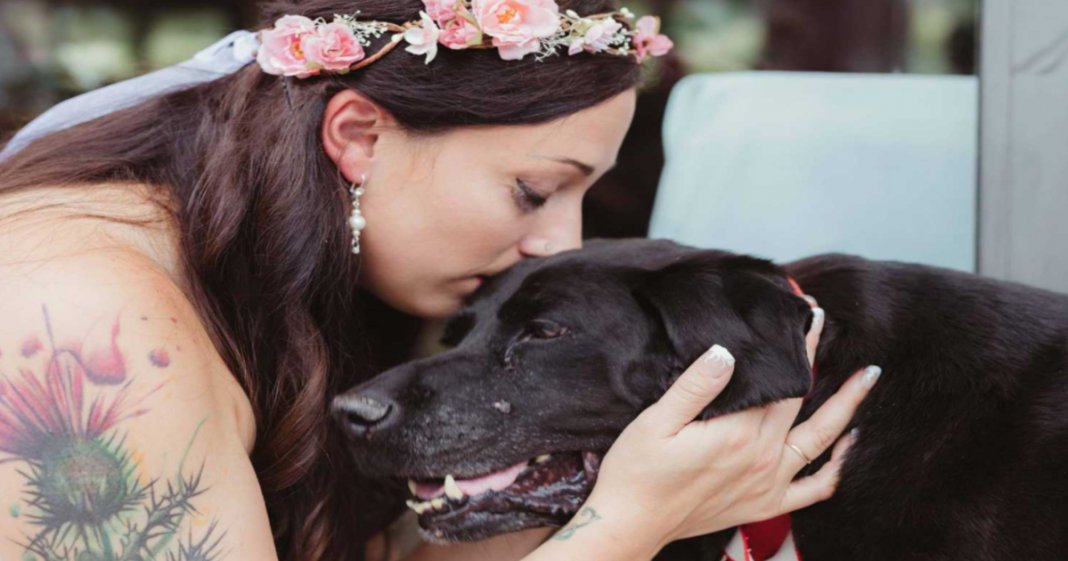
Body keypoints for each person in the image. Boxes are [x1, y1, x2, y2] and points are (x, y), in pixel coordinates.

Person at [0, 1, 879, 560]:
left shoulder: (296, 275)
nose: (558, 242)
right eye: (534, 189)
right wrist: (627, 527)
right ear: (360, 136)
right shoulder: (81, 326)